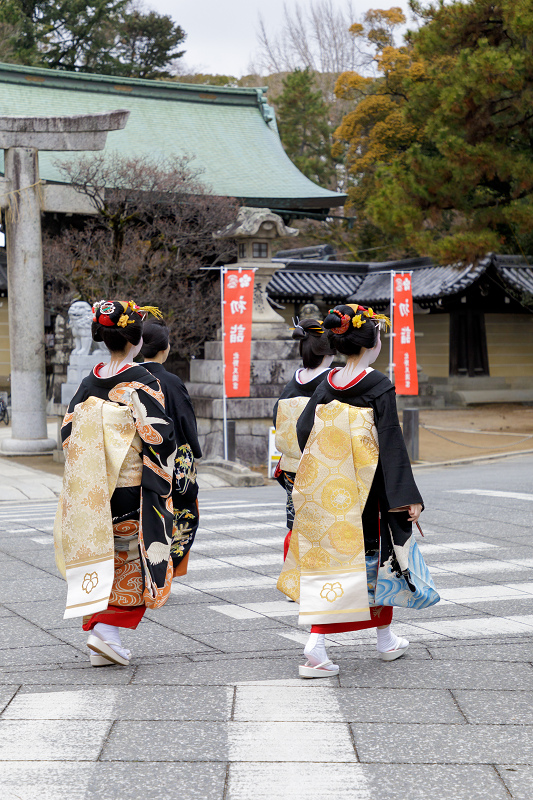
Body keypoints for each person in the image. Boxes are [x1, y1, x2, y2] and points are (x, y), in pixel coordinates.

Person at [277, 303, 426, 678]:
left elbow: (304, 432)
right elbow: (392, 442)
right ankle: (322, 643)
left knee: (333, 560)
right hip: (369, 495)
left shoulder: (329, 383)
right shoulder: (377, 384)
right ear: (372, 342)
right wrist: (407, 496)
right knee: (371, 564)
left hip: (332, 493)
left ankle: (376, 637)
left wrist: (329, 469)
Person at [54, 300, 176, 668]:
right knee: (131, 559)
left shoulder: (90, 381)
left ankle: (104, 633)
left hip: (92, 487)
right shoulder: (143, 380)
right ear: (137, 341)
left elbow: (67, 432)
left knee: (103, 554)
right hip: (130, 485)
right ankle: (106, 632)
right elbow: (159, 437)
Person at [141, 320, 202, 575]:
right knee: (185, 514)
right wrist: (195, 451)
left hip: (139, 458)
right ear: (165, 348)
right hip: (172, 459)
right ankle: (165, 570)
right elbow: (185, 419)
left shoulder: (130, 379)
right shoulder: (170, 380)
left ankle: (144, 568)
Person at [273, 319, 335, 557]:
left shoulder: (292, 383)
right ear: (330, 350)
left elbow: (275, 419)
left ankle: (293, 577)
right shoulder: (332, 382)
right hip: (322, 465)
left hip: (291, 465)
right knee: (324, 521)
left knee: (296, 520)